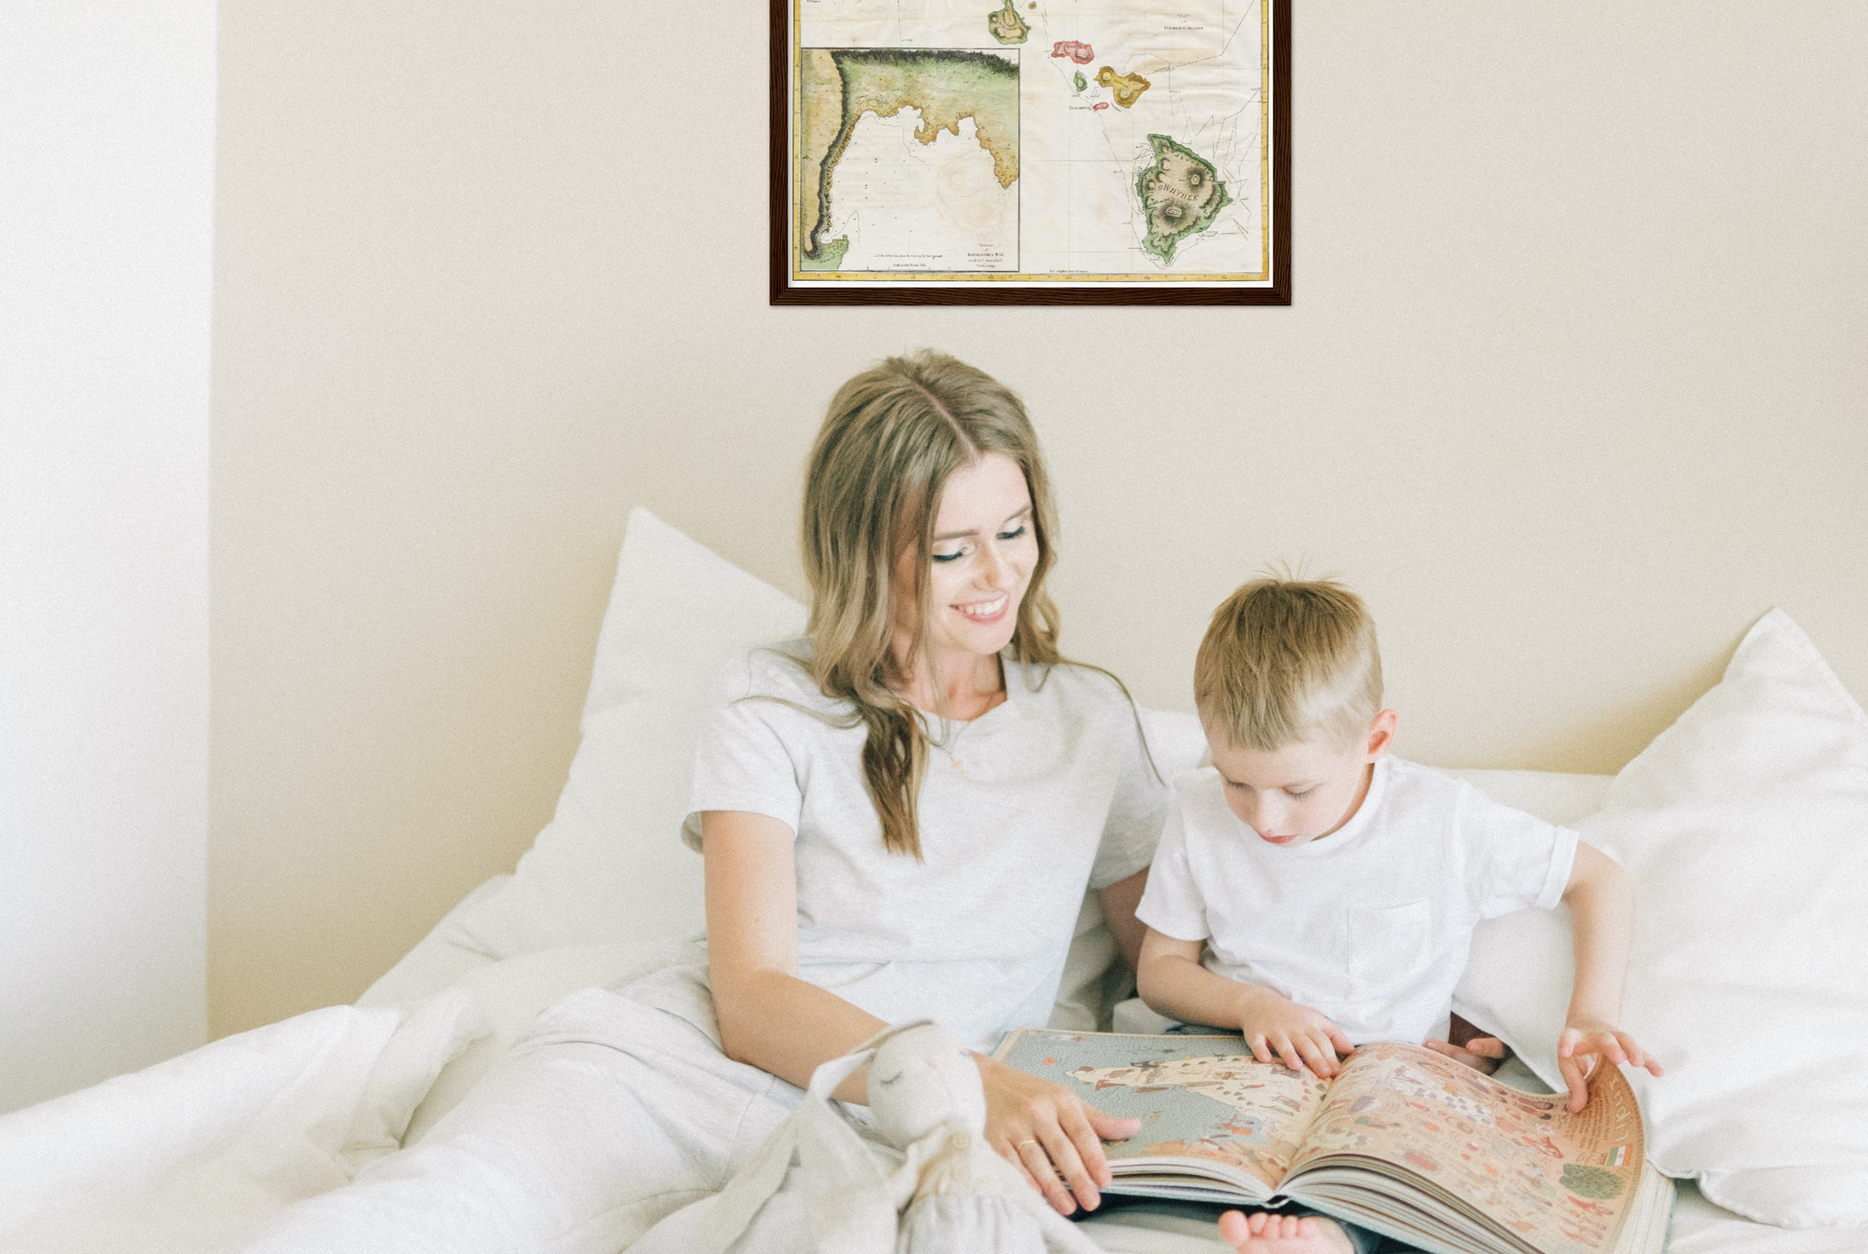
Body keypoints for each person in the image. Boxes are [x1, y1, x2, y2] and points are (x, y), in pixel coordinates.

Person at [234, 351, 1167, 1252]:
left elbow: (1164, 960)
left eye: (1015, 531)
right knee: (421, 1215)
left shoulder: (1090, 724)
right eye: (951, 551)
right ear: (864, 557)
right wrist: (967, 1079)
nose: (1000, 574)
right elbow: (751, 999)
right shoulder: (770, 699)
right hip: (676, 1079)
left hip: (909, 1132)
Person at [1133, 578, 1663, 1252]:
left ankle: (1327, 1235)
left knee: (1393, 1171)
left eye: (1298, 789)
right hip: (1235, 1055)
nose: (1264, 817)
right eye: (1236, 781)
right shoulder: (1198, 812)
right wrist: (1252, 1006)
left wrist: (1590, 1015)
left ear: (1375, 738)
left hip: (1381, 1086)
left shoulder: (1442, 820)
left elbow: (1597, 878)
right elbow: (1160, 970)